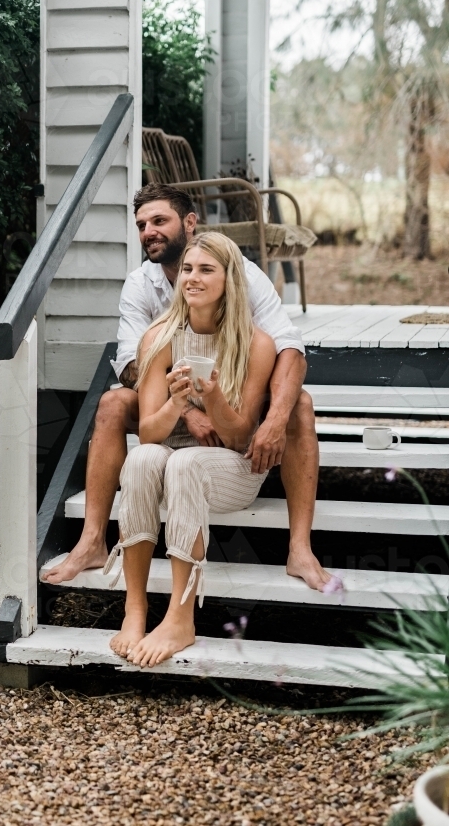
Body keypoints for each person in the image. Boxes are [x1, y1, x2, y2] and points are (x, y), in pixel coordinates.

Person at [43, 183, 329, 591]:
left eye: (160, 221)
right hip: (167, 399)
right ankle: (92, 541)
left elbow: (289, 346)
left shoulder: (241, 273)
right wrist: (188, 409)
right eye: (141, 225)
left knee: (298, 404)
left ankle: (300, 546)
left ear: (189, 223)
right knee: (110, 404)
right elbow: (130, 364)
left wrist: (274, 418)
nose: (149, 232)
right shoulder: (140, 285)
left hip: (235, 392)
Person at [108, 231, 276, 665]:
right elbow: (147, 432)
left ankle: (180, 618)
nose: (192, 278)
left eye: (206, 270)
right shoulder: (159, 337)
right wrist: (178, 402)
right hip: (172, 458)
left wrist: (214, 398)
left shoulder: (256, 344)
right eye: (187, 269)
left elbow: (241, 438)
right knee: (144, 457)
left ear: (230, 279)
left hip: (234, 468)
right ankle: (135, 609)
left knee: (183, 462)